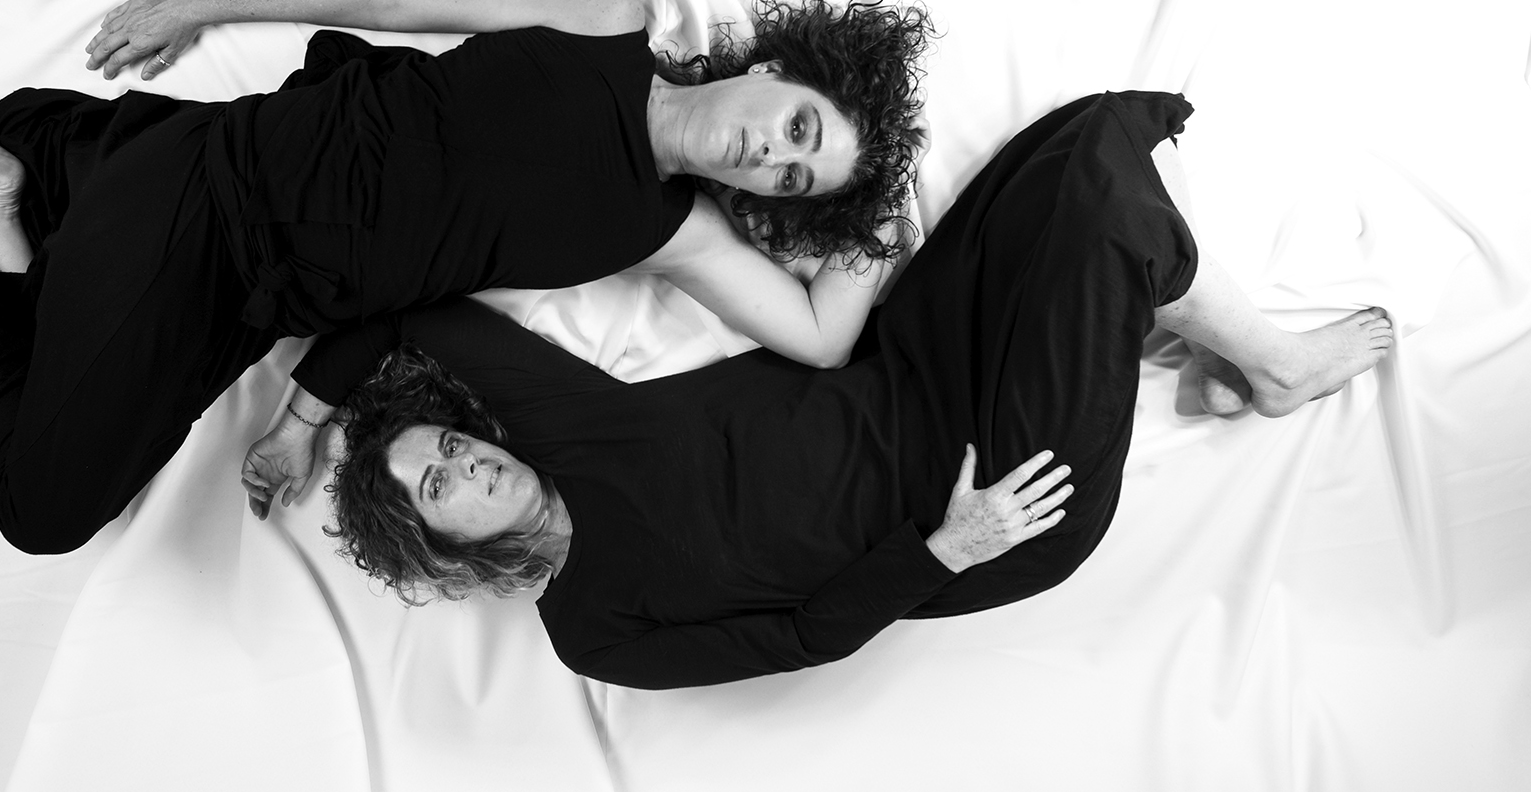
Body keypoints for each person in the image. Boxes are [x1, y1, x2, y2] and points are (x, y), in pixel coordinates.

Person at [0, 0, 929, 555]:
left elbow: (821, 337)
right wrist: (202, 1)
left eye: (793, 179)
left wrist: (884, 199)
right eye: (798, 127)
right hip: (208, 199)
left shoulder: (669, 233)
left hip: (240, 288)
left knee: (53, 368)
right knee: (42, 509)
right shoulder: (603, 16)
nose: (771, 156)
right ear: (774, 67)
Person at [287, 92, 1393, 690]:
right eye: (439, 485)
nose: (466, 462)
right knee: (1105, 224)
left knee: (1074, 147)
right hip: (985, 502)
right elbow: (803, 639)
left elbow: (407, 315)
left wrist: (302, 417)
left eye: (446, 444)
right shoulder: (593, 632)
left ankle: (1188, 341)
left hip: (918, 367)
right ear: (442, 547)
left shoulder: (556, 428)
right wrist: (948, 548)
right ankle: (1275, 367)